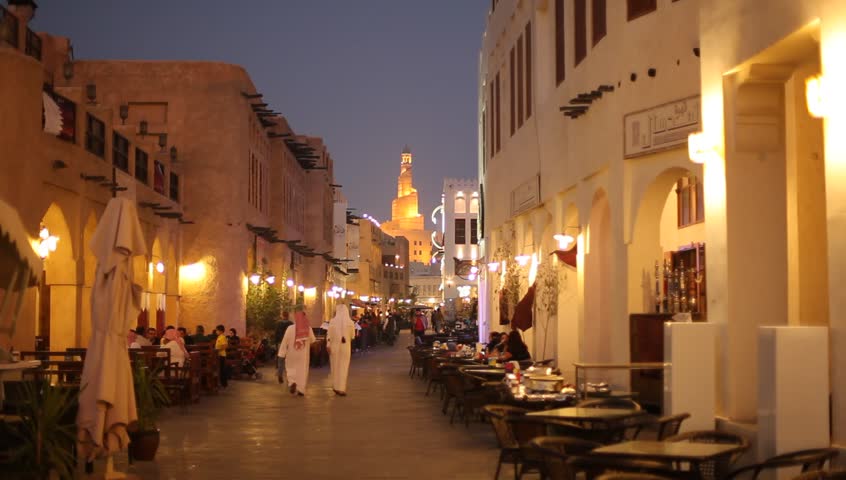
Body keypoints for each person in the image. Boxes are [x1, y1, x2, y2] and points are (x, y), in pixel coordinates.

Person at [277, 311, 315, 396]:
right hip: (303, 354)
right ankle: (301, 389)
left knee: (291, 368)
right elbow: (312, 340)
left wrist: (281, 353)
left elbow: (284, 342)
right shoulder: (308, 328)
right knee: (302, 371)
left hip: (291, 353)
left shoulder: (290, 328)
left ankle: (292, 382)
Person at [327, 304, 356, 396]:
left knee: (335, 366)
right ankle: (341, 388)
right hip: (345, 347)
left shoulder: (332, 322)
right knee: (343, 367)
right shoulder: (350, 323)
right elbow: (352, 336)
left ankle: (335, 386)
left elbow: (329, 335)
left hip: (334, 347)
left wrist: (328, 344)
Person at [274, 312, 294, 384]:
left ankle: (280, 374)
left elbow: (276, 334)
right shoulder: (291, 323)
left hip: (280, 342)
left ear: (282, 316)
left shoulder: (278, 324)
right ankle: (289, 377)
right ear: (288, 316)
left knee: (281, 360)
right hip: (289, 343)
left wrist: (276, 343)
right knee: (289, 360)